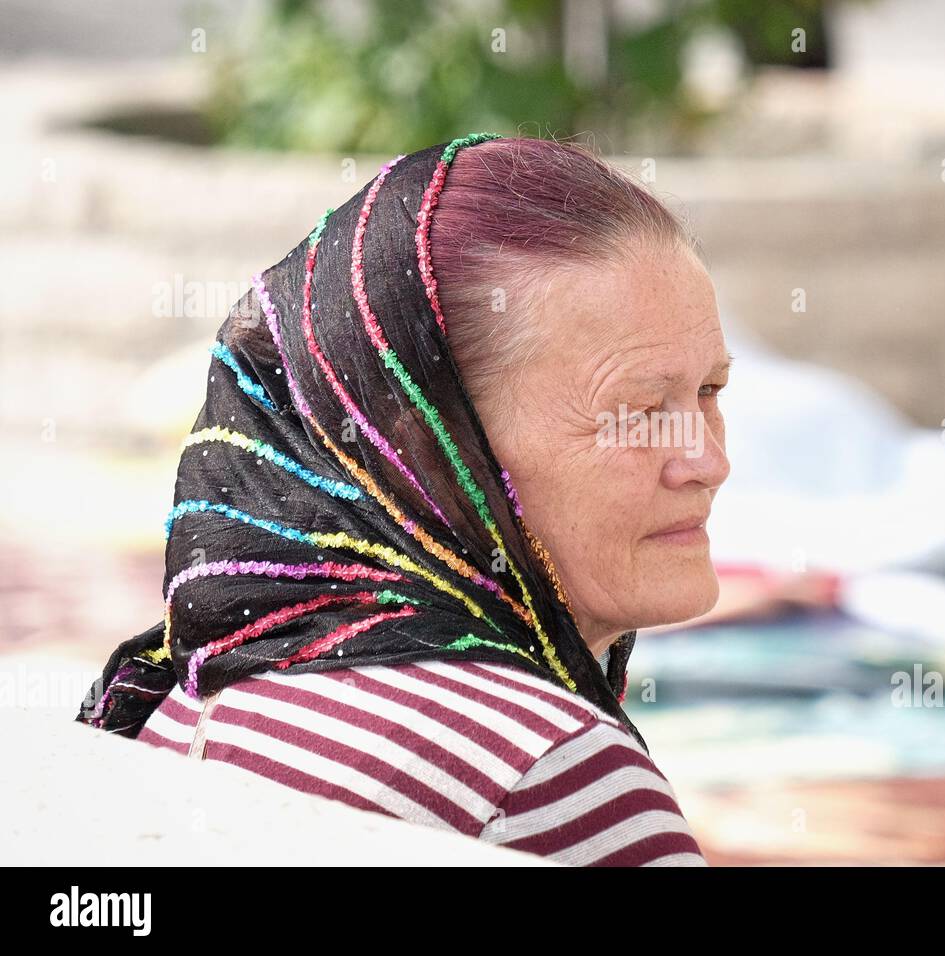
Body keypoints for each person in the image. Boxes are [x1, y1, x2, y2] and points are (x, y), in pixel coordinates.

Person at [74, 133, 732, 866]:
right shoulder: (550, 782)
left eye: (710, 391)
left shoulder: (179, 697)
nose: (709, 460)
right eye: (639, 411)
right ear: (424, 450)